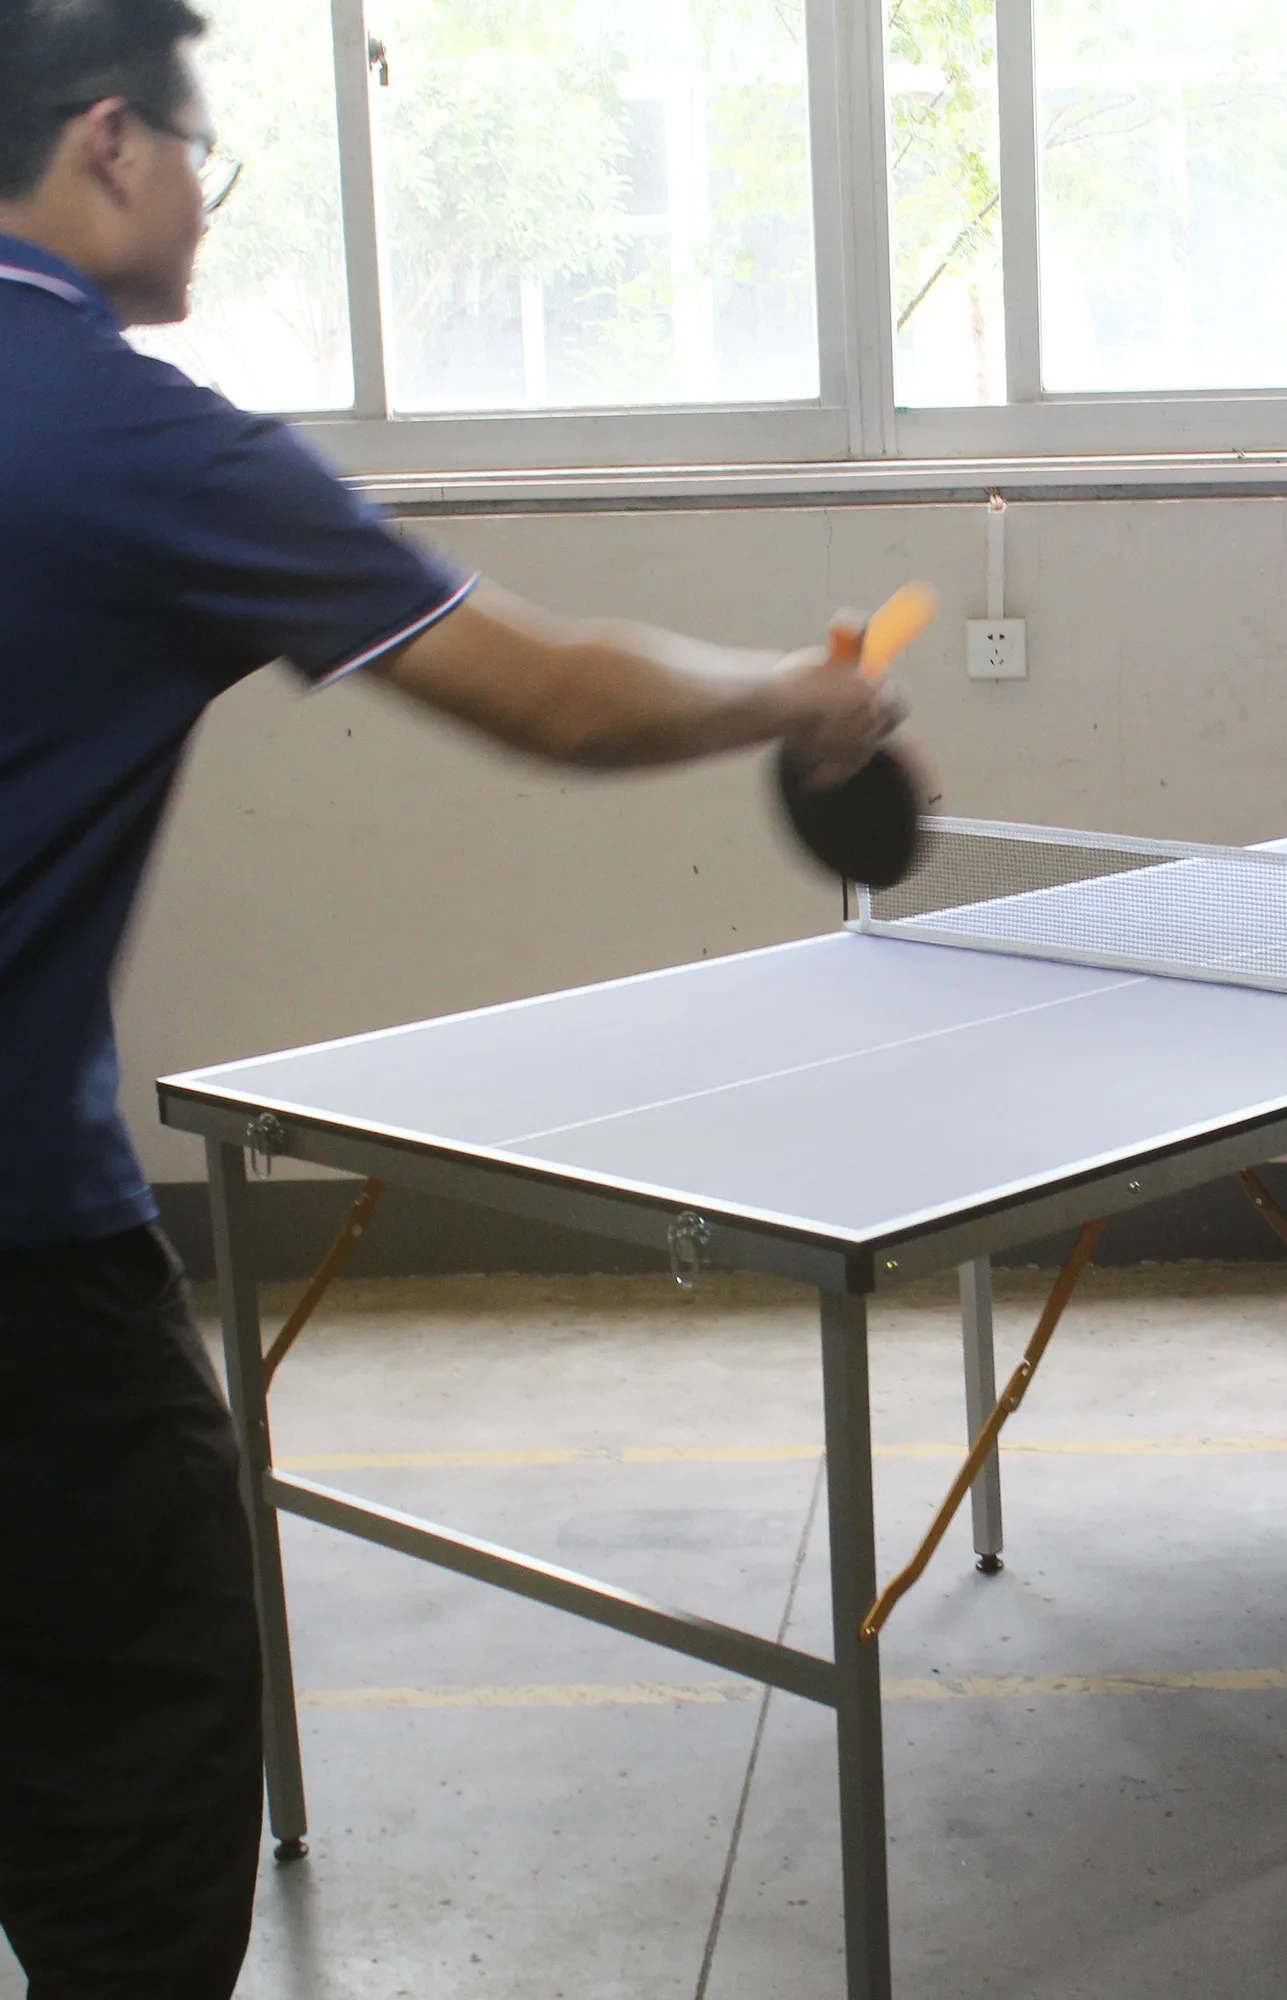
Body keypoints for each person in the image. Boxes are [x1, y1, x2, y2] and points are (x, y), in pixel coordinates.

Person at [0, 1, 906, 1991]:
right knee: (125, 1797)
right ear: (109, 144)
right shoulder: (128, 435)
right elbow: (556, 693)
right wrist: (803, 690)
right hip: (20, 1284)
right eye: (206, 163)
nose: (210, 217)